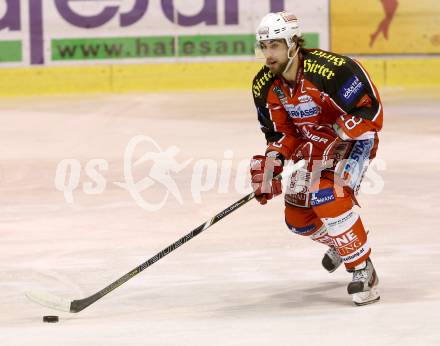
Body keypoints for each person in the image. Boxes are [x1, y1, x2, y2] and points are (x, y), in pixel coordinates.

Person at [250, 11, 383, 306]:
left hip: (352, 141)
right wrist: (272, 167)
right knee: (297, 217)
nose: (267, 54)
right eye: (264, 46)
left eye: (274, 45)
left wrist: (338, 134)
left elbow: (369, 110)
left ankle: (363, 270)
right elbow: (280, 135)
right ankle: (343, 237)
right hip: (316, 149)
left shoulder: (332, 71)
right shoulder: (264, 85)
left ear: (293, 43)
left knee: (326, 194)